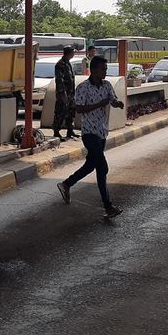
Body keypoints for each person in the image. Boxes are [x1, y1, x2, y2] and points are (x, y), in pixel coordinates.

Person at [57, 56, 125, 218]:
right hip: (89, 133)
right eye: (103, 69)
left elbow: (112, 100)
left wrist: (117, 104)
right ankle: (108, 206)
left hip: (101, 132)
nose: (105, 72)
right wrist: (99, 104)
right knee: (103, 168)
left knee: (91, 166)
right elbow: (79, 109)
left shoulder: (107, 85)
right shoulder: (83, 88)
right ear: (93, 70)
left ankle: (66, 184)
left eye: (106, 69)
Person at [53, 46, 79, 141]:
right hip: (63, 94)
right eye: (73, 52)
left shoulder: (68, 63)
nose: (74, 54)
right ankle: (56, 131)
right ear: (68, 53)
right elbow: (59, 80)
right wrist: (62, 94)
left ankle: (70, 130)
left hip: (71, 93)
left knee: (71, 112)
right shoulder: (60, 64)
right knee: (60, 112)